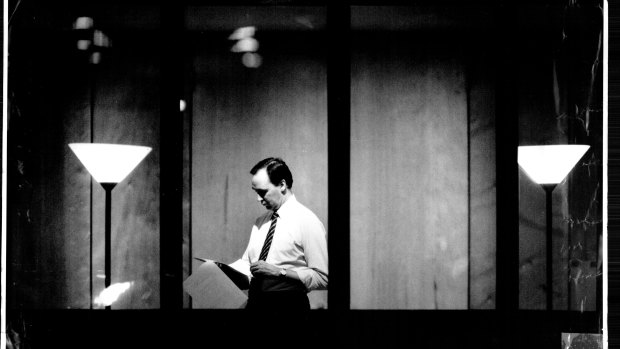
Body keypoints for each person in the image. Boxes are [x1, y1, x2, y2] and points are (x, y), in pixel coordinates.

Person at [234, 157, 328, 311]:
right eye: (255, 192)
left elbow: (323, 278)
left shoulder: (308, 221)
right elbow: (249, 264)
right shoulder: (260, 222)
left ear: (282, 185)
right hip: (255, 304)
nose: (258, 199)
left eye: (262, 192)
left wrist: (280, 272)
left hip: (288, 308)